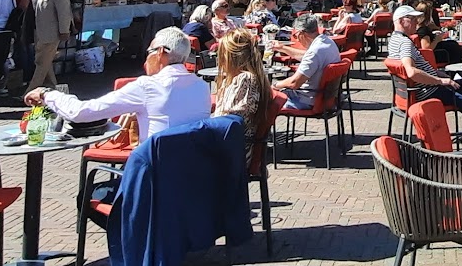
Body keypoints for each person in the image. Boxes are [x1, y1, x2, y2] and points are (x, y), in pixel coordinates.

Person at [25, 27, 210, 138]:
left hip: (152, 176)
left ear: (160, 52)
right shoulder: (202, 87)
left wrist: (46, 94)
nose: (146, 60)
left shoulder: (148, 86)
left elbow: (81, 113)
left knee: (93, 191)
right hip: (190, 177)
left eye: (149, 52)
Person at [387, 5, 462, 128]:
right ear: (400, 21)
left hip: (417, 91)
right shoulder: (405, 43)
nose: (416, 22)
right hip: (430, 92)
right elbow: (412, 72)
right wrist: (440, 80)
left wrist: (436, 73)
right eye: (412, 19)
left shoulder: (393, 40)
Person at [210, 29, 272, 165]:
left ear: (232, 56)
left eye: (221, 53)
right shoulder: (241, 78)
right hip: (229, 144)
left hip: (233, 151)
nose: (219, 59)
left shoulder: (245, 79)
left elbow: (232, 122)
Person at [25, 0, 74, 93]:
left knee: (41, 63)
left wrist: (64, 30)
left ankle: (30, 92)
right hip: (38, 32)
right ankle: (52, 88)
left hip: (51, 33)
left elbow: (64, 11)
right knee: (45, 62)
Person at [275, 16, 340, 110]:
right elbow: (307, 56)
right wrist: (282, 48)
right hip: (326, 99)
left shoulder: (314, 53)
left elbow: (294, 83)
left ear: (301, 33)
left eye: (295, 36)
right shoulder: (328, 43)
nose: (297, 40)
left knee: (266, 100)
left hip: (308, 100)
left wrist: (275, 85)